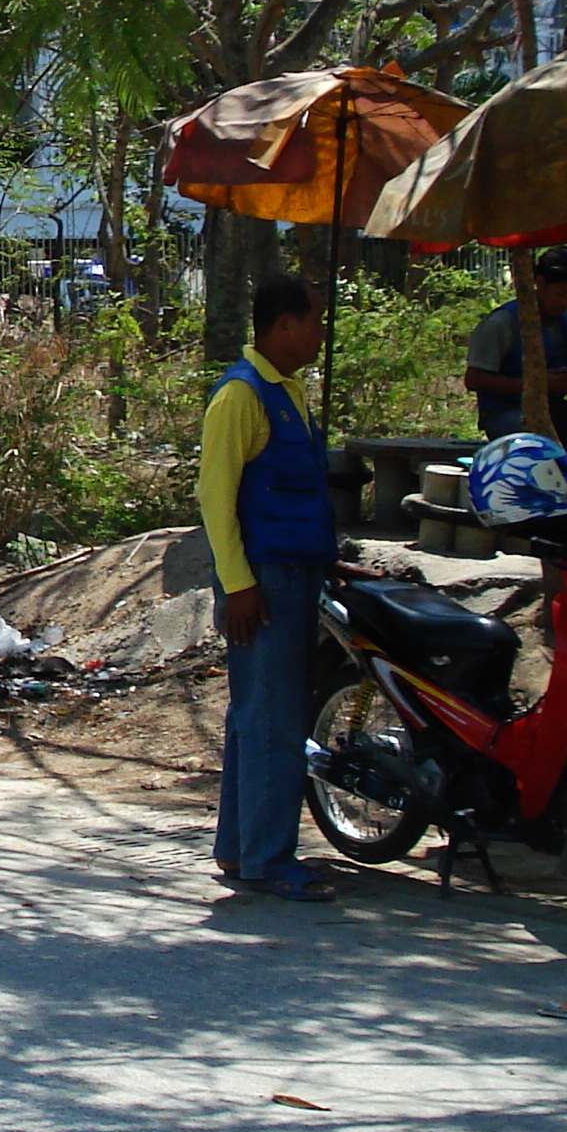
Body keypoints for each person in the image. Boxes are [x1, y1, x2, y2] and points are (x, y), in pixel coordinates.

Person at [197, 272, 341, 902]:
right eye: (313, 320)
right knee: (274, 719)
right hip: (264, 579)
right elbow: (215, 496)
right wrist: (238, 585)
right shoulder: (241, 397)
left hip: (297, 569)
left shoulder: (291, 393)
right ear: (284, 325)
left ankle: (240, 846)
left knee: (256, 715)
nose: (320, 333)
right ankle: (270, 857)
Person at [464, 247, 567, 446]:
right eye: (560, 293)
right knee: (531, 437)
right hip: (506, 413)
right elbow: (474, 379)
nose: (566, 302)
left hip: (553, 410)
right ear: (540, 283)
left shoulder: (566, 323)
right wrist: (537, 384)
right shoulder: (502, 323)